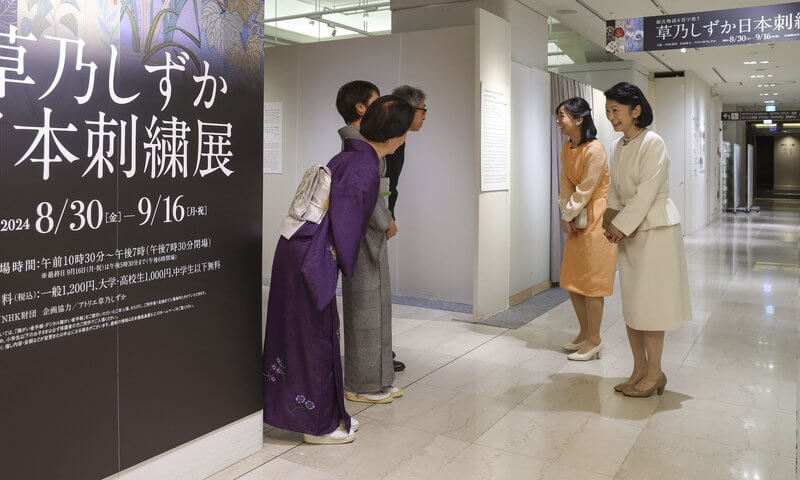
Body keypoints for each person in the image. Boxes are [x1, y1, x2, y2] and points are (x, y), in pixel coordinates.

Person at [262, 96, 414, 444]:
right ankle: (317, 425)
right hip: (311, 254)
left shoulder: (349, 155)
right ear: (397, 135)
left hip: (296, 246)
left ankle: (313, 413)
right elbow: (347, 229)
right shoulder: (365, 168)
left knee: (303, 334)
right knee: (314, 337)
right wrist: (351, 266)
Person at [602, 82, 692, 397]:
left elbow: (646, 194)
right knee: (633, 305)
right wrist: (609, 221)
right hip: (630, 232)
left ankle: (654, 373)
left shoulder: (653, 142)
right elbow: (614, 191)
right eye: (608, 111)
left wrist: (620, 226)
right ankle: (639, 369)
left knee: (650, 306)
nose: (611, 117)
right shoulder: (617, 146)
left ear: (635, 110)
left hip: (655, 230)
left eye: (616, 110)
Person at [336, 82, 402, 404]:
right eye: (375, 103)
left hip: (371, 229)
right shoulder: (357, 148)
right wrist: (385, 221)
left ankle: (378, 378)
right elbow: (367, 193)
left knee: (375, 306)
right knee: (365, 308)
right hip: (365, 232)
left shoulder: (362, 144)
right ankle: (362, 383)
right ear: (360, 108)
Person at [555, 97, 617, 361]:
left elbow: (587, 188)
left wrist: (570, 212)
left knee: (592, 282)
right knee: (573, 280)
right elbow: (566, 187)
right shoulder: (567, 148)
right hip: (577, 216)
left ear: (579, 119)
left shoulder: (595, 149)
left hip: (596, 217)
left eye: (562, 116)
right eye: (557, 116)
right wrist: (565, 213)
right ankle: (584, 333)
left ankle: (595, 339)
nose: (558, 121)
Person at [384, 85, 427, 373]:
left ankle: (378, 350)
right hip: (376, 219)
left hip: (382, 216)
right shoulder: (386, 138)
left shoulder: (399, 138)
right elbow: (379, 184)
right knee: (371, 292)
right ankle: (375, 353)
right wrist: (386, 217)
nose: (425, 117)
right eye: (423, 110)